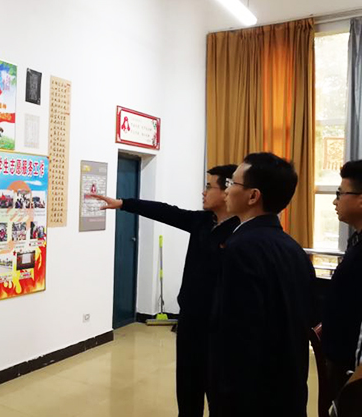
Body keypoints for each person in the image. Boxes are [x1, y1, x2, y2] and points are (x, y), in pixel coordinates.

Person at [91, 164, 239, 417]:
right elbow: (165, 212)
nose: (203, 192)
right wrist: (124, 203)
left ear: (227, 192)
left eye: (209, 186)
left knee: (219, 391)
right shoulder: (203, 221)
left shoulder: (240, 232)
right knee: (188, 384)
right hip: (190, 319)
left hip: (219, 326)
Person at [210, 152, 317, 417]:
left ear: (253, 196)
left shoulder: (241, 248)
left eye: (232, 183)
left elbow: (240, 331)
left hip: (252, 394)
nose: (227, 190)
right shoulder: (293, 248)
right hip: (289, 385)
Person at [322, 159, 362, 401]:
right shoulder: (355, 241)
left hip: (353, 369)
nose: (335, 201)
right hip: (340, 358)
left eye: (340, 193)